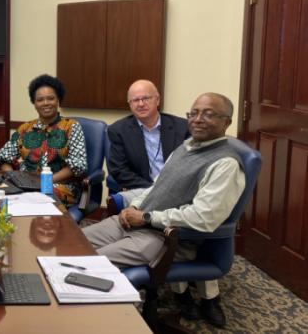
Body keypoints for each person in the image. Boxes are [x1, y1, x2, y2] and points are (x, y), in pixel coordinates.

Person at [82, 93, 245, 328]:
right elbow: (156, 187)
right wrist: (135, 206)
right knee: (75, 244)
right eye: (194, 113)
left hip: (167, 238)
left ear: (226, 122)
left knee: (94, 263)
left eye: (208, 114)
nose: (198, 119)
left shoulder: (225, 164)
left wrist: (147, 217)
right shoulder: (186, 147)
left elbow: (203, 217)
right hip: (137, 222)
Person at [0, 74, 88, 204]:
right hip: (24, 186)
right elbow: (3, 158)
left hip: (59, 186)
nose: (46, 103)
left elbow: (78, 165)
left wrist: (44, 183)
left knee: (39, 198)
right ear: (34, 103)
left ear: (58, 100)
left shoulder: (71, 127)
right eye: (40, 99)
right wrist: (14, 178)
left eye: (51, 98)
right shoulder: (24, 129)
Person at [107, 79, 189, 203]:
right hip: (143, 190)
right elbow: (119, 170)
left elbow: (190, 165)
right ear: (129, 104)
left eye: (146, 98)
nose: (140, 104)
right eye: (135, 100)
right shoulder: (118, 130)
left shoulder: (183, 127)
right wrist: (153, 189)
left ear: (157, 100)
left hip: (177, 190)